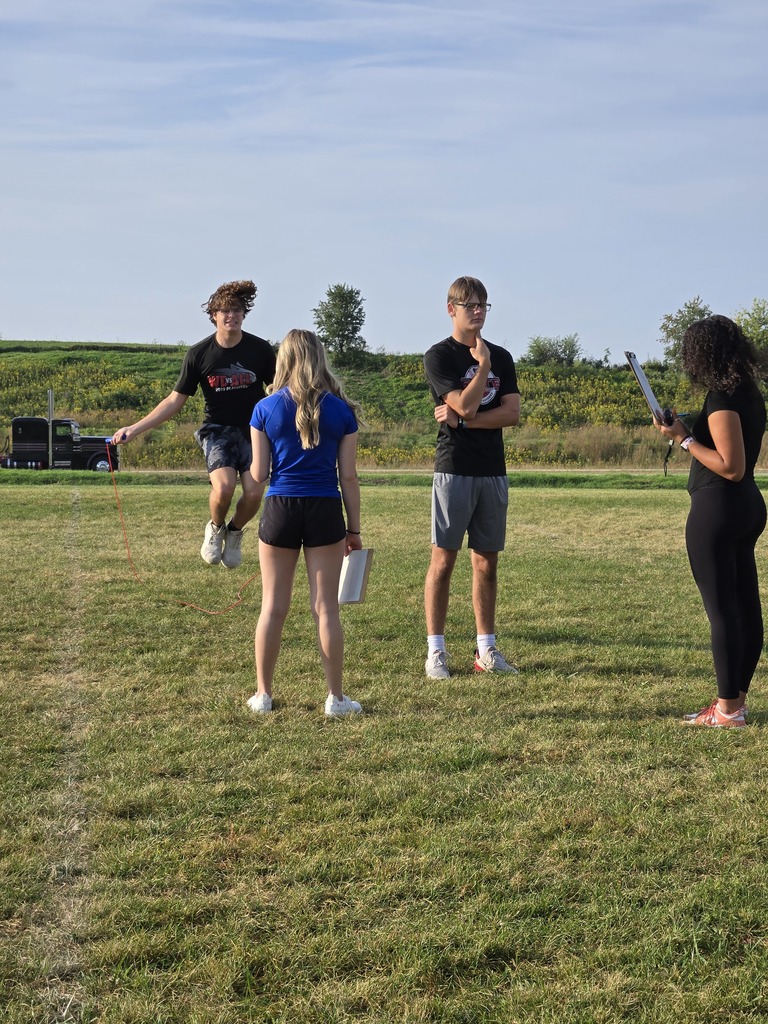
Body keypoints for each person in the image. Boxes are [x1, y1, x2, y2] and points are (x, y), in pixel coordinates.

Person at [112, 280, 276, 568]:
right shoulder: (199, 355)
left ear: (244, 314)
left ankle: (234, 532)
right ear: (214, 315)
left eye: (237, 310)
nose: (231, 316)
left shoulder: (260, 350)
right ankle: (215, 529)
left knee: (253, 492)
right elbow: (175, 401)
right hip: (217, 431)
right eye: (225, 311)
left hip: (253, 431)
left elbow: (278, 389)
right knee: (224, 488)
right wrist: (134, 429)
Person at [654, 315, 766, 727]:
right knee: (745, 609)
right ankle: (735, 702)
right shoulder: (748, 393)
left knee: (723, 611)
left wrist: (683, 439)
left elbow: (729, 466)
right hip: (746, 507)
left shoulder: (722, 399)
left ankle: (727, 710)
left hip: (719, 508)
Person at [246, 329, 365, 718]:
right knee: (325, 607)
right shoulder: (341, 411)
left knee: (273, 606)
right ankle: (335, 698)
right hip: (325, 508)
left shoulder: (264, 409)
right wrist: (354, 529)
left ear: (285, 359)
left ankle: (263, 695)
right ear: (319, 357)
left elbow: (260, 473)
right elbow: (348, 477)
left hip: (280, 506)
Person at [422, 276, 521, 679]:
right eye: (470, 305)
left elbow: (510, 414)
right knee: (443, 560)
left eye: (483, 305)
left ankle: (486, 650)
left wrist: (467, 422)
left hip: (492, 471)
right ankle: (436, 651)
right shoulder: (439, 356)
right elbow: (462, 402)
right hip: (454, 469)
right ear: (452, 309)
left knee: (487, 562)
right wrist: (481, 368)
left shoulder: (504, 355)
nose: (477, 311)